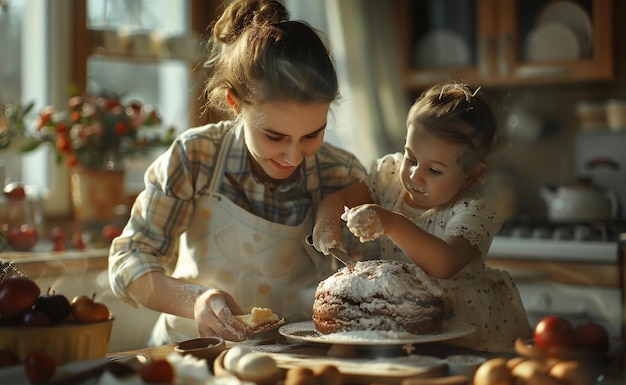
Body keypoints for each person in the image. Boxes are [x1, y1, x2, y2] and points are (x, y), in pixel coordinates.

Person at [108, 0, 370, 346]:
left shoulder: (342, 174)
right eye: (274, 136)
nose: (294, 156)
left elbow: (365, 285)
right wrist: (196, 300)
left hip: (292, 361)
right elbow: (129, 261)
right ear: (234, 103)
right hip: (189, 355)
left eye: (312, 135)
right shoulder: (195, 157)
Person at [312, 82, 531, 352]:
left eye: (435, 170)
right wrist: (328, 223)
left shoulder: (472, 212)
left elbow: (445, 263)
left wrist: (391, 222)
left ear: (472, 174)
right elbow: (337, 199)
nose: (415, 176)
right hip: (404, 316)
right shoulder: (390, 178)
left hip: (460, 328)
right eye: (411, 158)